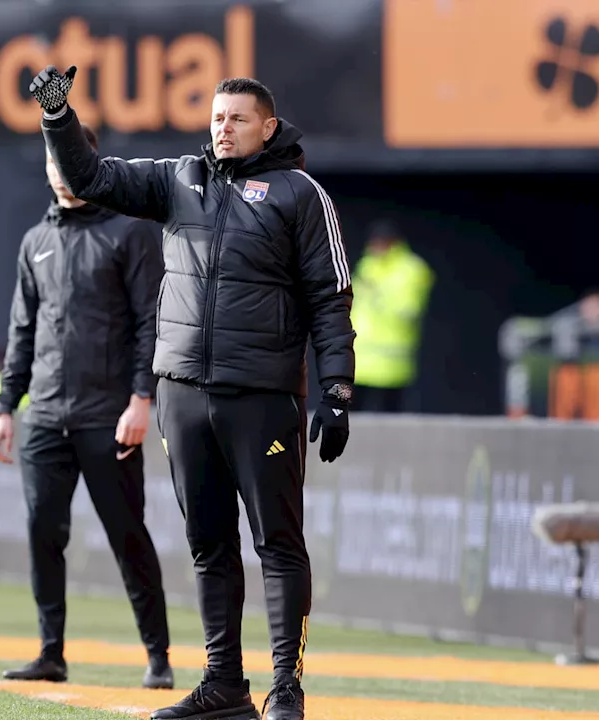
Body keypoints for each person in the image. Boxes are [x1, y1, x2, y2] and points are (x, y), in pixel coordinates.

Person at [29, 67, 356, 720]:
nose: (223, 128)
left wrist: (337, 388)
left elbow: (331, 296)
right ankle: (224, 685)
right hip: (182, 392)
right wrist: (59, 117)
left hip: (261, 395)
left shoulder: (300, 193)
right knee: (208, 543)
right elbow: (92, 178)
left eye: (237, 119)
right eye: (216, 117)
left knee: (277, 543)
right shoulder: (179, 178)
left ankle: (285, 687)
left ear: (268, 126)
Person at [0, 124, 174, 690]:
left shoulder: (129, 234)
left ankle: (158, 657)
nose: (62, 175)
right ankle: (50, 653)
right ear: (48, 169)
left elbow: (151, 324)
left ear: (88, 162)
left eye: (71, 164)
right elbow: (21, 330)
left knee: (127, 534)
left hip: (108, 416)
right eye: (54, 166)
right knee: (44, 531)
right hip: (44, 415)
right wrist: (4, 407)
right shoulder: (33, 241)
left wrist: (142, 399)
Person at [348, 219, 433, 413]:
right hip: (358, 361)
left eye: (381, 242)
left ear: (393, 243)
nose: (375, 247)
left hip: (391, 365)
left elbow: (409, 311)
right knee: (346, 417)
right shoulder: (367, 263)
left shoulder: (413, 270)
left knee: (389, 421)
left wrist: (377, 295)